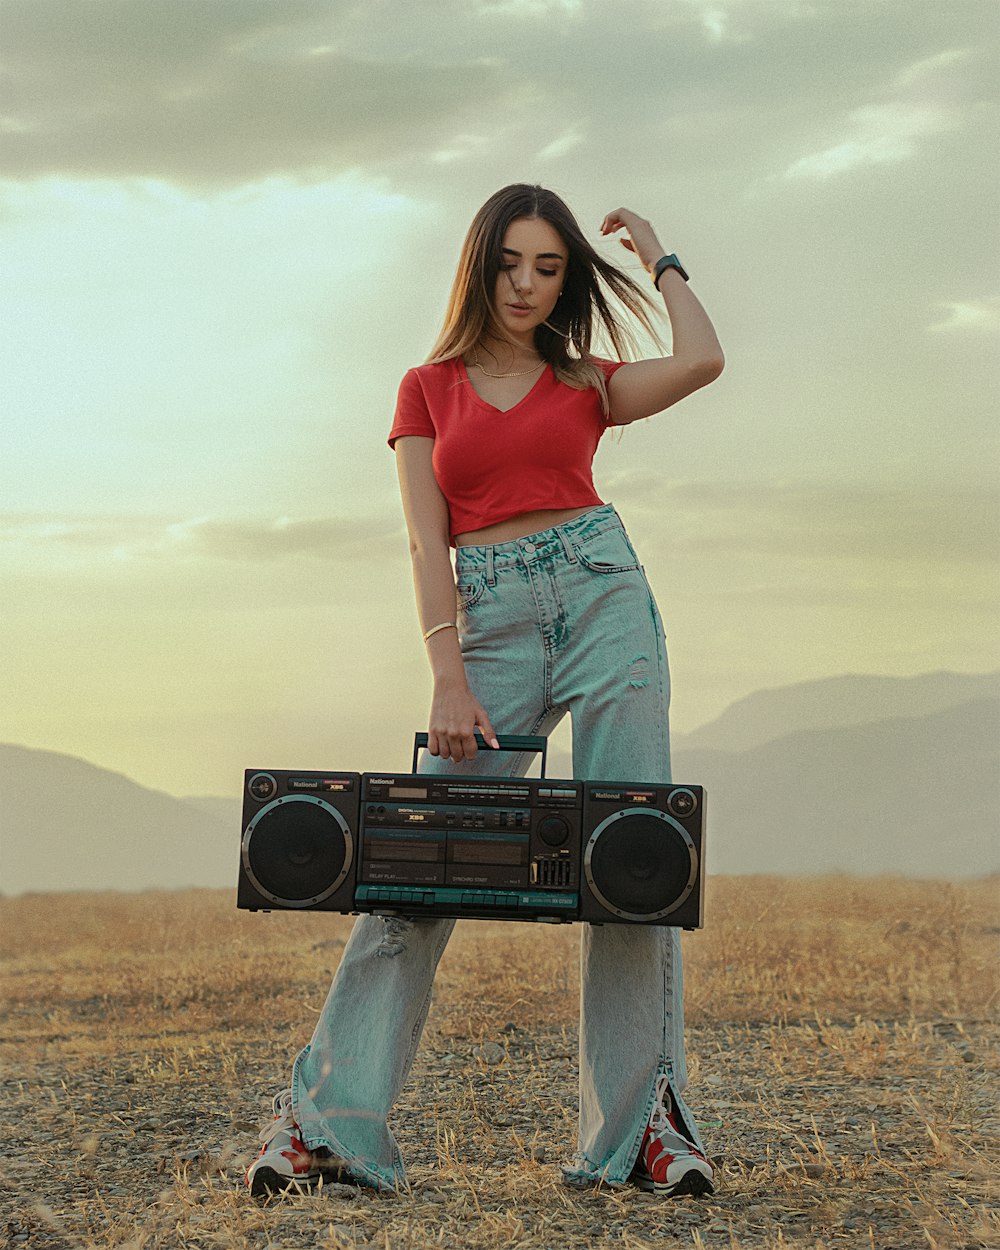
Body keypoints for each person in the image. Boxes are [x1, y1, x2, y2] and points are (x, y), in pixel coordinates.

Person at [245, 184, 724, 1200]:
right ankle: (327, 1123)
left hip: (605, 597)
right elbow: (426, 536)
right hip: (488, 618)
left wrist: (660, 258)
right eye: (511, 263)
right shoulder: (427, 387)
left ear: (567, 279)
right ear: (480, 264)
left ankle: (641, 1127)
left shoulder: (585, 379)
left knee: (630, 860)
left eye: (548, 268)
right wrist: (447, 675)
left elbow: (700, 360)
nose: (526, 284)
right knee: (416, 864)